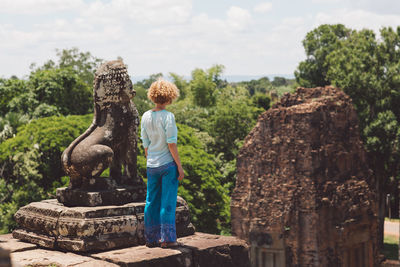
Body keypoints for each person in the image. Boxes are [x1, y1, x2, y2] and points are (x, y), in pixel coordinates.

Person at [141, 79, 184, 248]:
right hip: (167, 165)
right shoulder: (168, 116)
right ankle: (167, 239)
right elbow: (171, 143)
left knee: (151, 201)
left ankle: (150, 238)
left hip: (152, 164)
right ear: (170, 97)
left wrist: (150, 158)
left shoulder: (145, 116)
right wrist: (179, 166)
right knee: (167, 202)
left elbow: (145, 144)